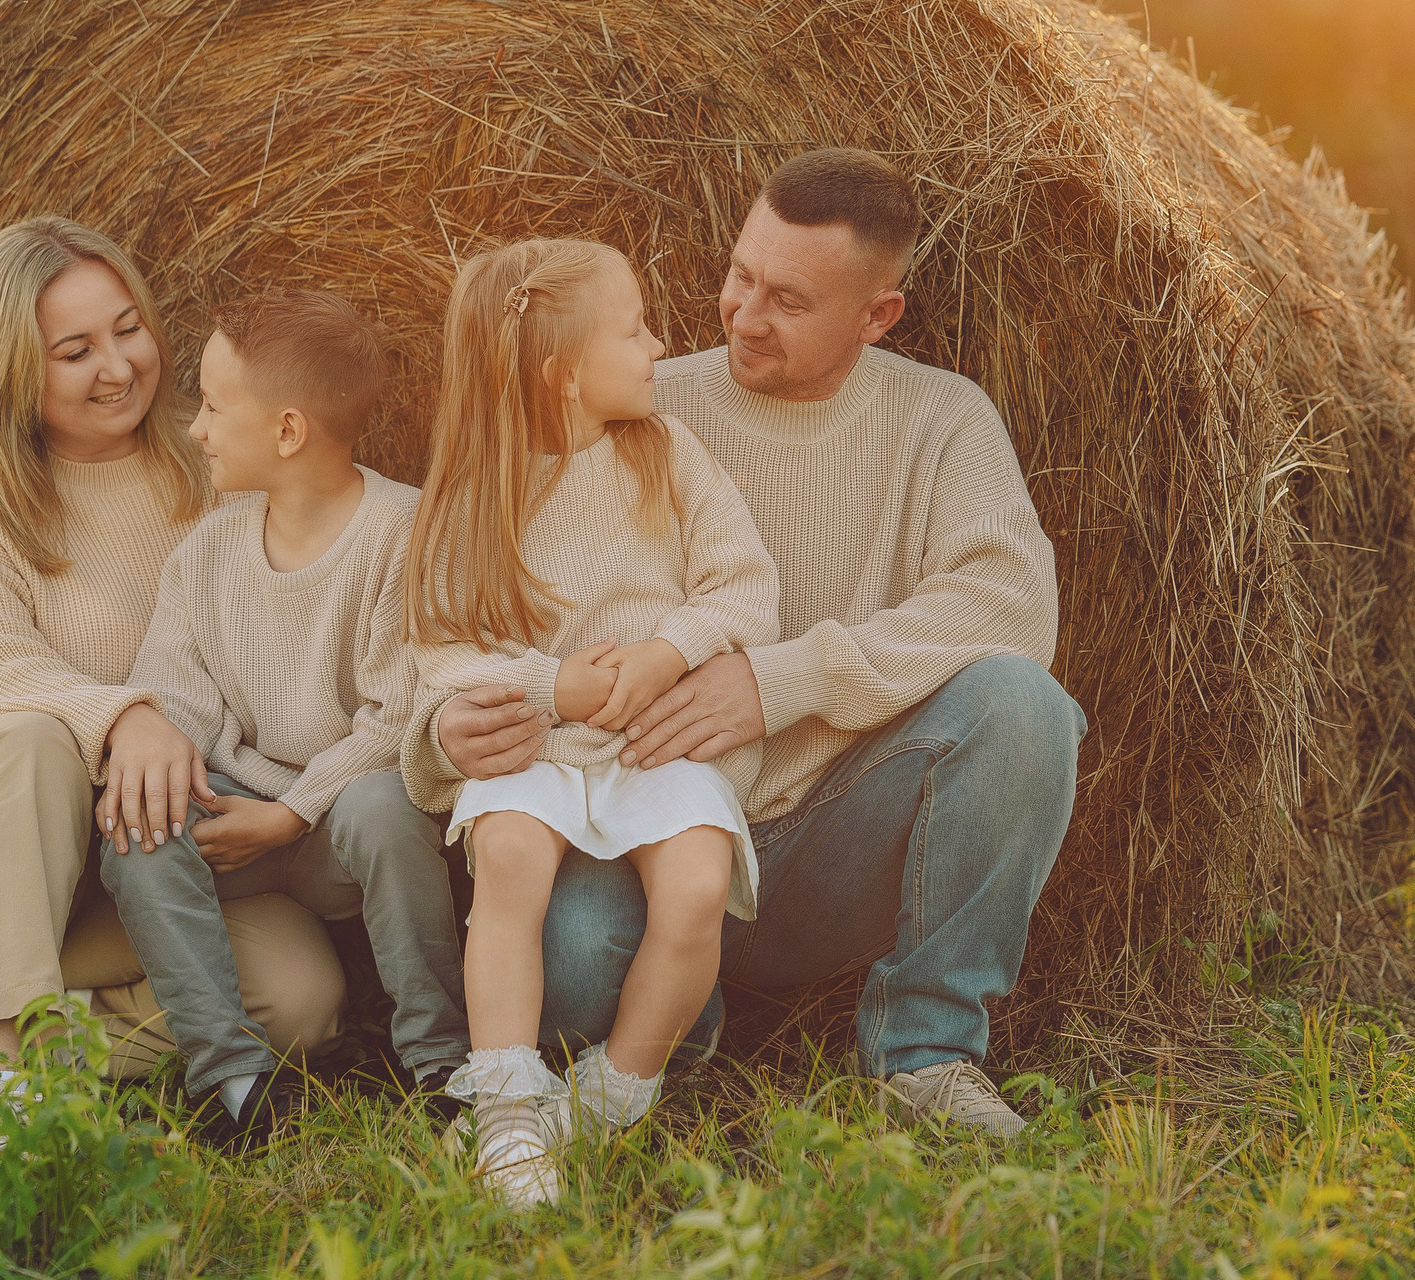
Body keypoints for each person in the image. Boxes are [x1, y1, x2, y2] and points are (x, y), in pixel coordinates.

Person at [415, 150, 1082, 1143]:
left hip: (829, 835)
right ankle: (678, 1029)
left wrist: (780, 681)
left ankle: (925, 1051)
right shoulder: (637, 402)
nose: (741, 314)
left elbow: (1011, 604)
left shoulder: (942, 419)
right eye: (740, 274)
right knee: (570, 961)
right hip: (639, 821)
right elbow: (460, 596)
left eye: (788, 300)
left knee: (1024, 708)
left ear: (877, 315)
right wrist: (449, 732)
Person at [0, 216, 345, 1166]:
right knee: (30, 734)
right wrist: (125, 717)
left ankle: (34, 1019)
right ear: (10, 368)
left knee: (301, 997)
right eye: (75, 351)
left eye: (129, 329)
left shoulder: (216, 471)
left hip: (149, 856)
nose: (118, 367)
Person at [397, 238, 780, 1208]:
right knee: (509, 859)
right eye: (635, 329)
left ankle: (610, 1094)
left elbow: (744, 586)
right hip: (539, 743)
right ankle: (507, 1107)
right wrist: (547, 686)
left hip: (654, 736)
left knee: (698, 884)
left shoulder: (666, 453)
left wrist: (669, 650)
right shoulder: (471, 495)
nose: (659, 346)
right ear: (563, 372)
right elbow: (441, 652)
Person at [104, 289, 469, 1139]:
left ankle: (444, 1062)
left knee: (385, 807)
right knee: (139, 824)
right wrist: (166, 765)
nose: (195, 429)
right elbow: (175, 685)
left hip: (337, 826)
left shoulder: (404, 533)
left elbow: (398, 719)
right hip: (238, 812)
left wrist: (294, 812)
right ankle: (232, 1076)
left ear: (288, 431)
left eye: (214, 407)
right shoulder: (208, 551)